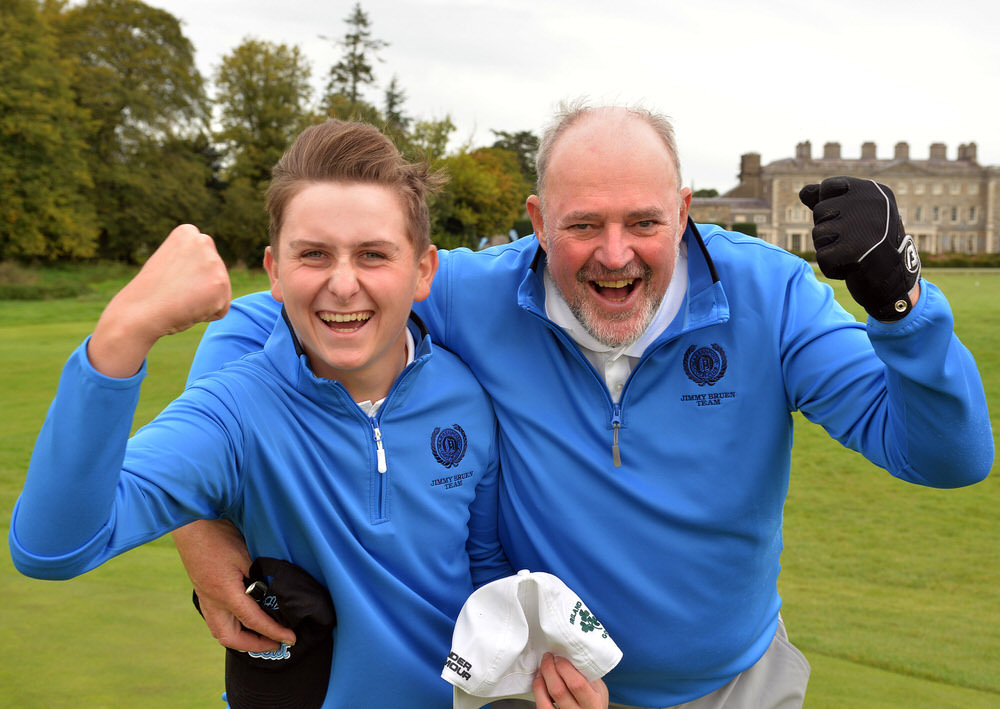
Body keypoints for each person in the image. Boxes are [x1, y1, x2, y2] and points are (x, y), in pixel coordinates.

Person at [173, 103, 993, 709]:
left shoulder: (771, 295)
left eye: (644, 221)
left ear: (685, 211)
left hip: (735, 685)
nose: (614, 253)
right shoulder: (472, 290)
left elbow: (946, 457)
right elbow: (261, 319)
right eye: (582, 225)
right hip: (542, 689)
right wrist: (201, 525)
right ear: (536, 222)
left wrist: (904, 309)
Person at [8, 119, 609, 709]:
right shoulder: (232, 411)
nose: (343, 284)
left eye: (373, 255)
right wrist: (120, 338)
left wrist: (540, 671)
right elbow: (53, 548)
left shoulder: (463, 395)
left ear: (423, 271)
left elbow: (483, 573)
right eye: (314, 255)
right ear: (274, 271)